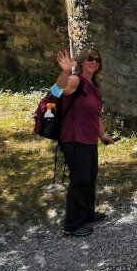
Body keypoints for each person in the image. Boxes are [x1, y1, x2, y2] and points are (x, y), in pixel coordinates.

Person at [51, 47, 115, 238]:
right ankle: (72, 225)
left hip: (88, 140)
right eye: (89, 58)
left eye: (97, 59)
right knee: (79, 181)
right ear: (81, 61)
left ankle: (87, 214)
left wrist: (103, 136)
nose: (94, 62)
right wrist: (65, 71)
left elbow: (96, 115)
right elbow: (56, 91)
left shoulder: (93, 86)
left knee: (89, 178)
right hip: (73, 138)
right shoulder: (75, 80)